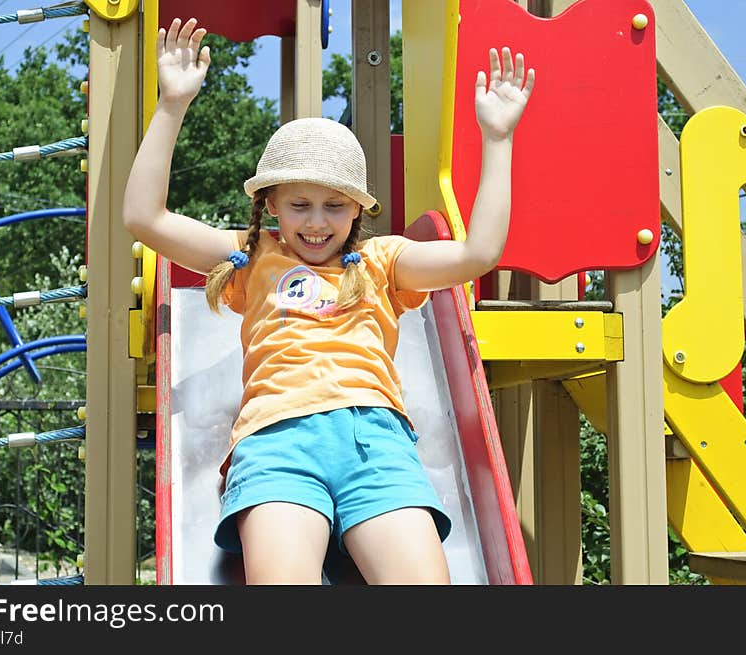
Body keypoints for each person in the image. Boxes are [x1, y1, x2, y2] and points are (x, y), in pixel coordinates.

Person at [123, 17, 535, 585]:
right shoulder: (251, 256)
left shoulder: (384, 261)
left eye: (335, 207)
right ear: (270, 204)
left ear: (359, 211)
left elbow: (479, 253)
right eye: (300, 205)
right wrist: (172, 105)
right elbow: (144, 219)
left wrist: (498, 139)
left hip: (375, 442)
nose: (317, 223)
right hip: (278, 443)